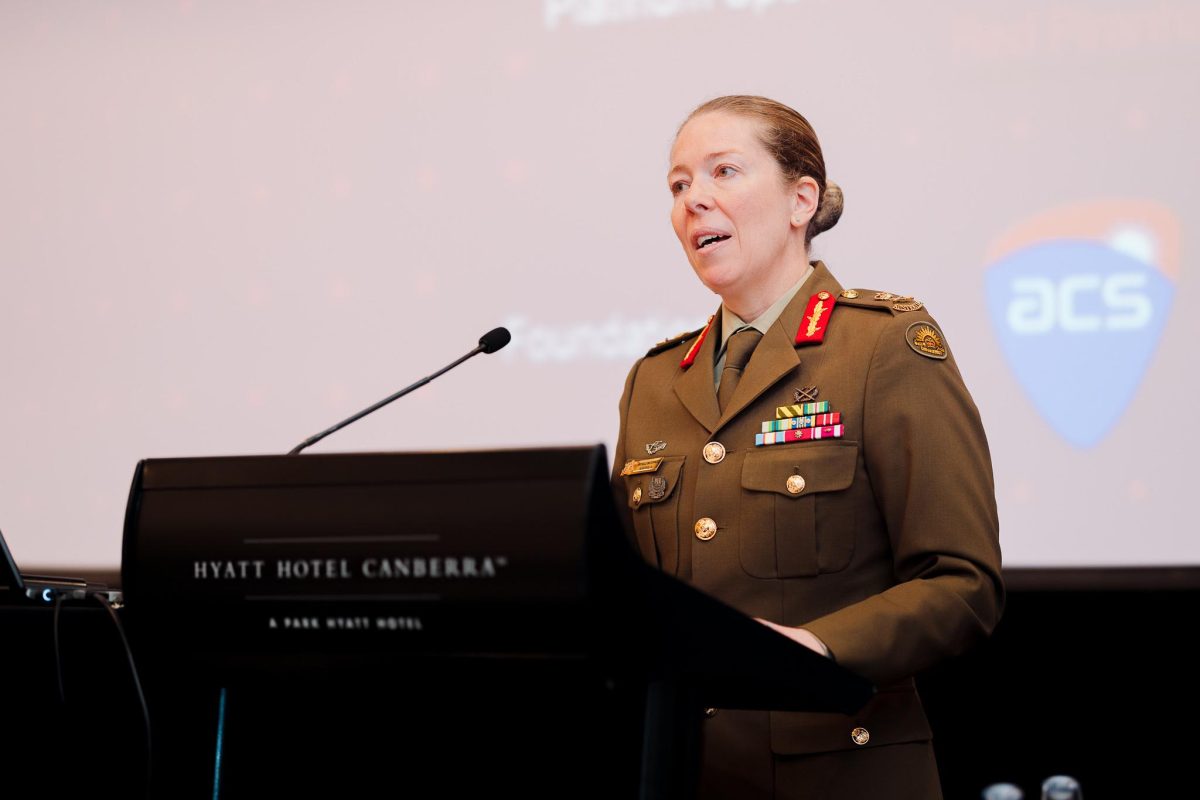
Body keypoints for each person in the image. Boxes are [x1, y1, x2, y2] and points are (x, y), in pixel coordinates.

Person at [610, 95, 1004, 799]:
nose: (693, 200)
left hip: (840, 771)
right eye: (677, 185)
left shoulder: (884, 346)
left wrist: (818, 649)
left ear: (801, 201)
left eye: (723, 172)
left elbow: (961, 585)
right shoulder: (653, 382)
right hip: (683, 776)